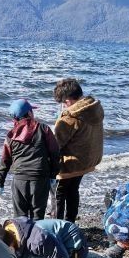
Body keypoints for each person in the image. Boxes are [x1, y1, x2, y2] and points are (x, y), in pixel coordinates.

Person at [0, 99, 62, 220]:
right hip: (40, 179)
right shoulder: (44, 129)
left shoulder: (11, 135)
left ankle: (22, 238)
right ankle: (37, 238)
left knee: (20, 218)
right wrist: (53, 175)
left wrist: (0, 183)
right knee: (37, 216)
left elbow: (5, 161)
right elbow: (55, 154)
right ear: (29, 113)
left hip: (19, 180)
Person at [52, 78, 104, 222]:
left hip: (70, 163)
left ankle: (58, 226)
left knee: (59, 194)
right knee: (73, 190)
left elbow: (57, 143)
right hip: (87, 160)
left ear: (68, 100)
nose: (63, 105)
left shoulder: (70, 116)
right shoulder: (94, 107)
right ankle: (70, 222)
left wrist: (59, 120)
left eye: (63, 102)